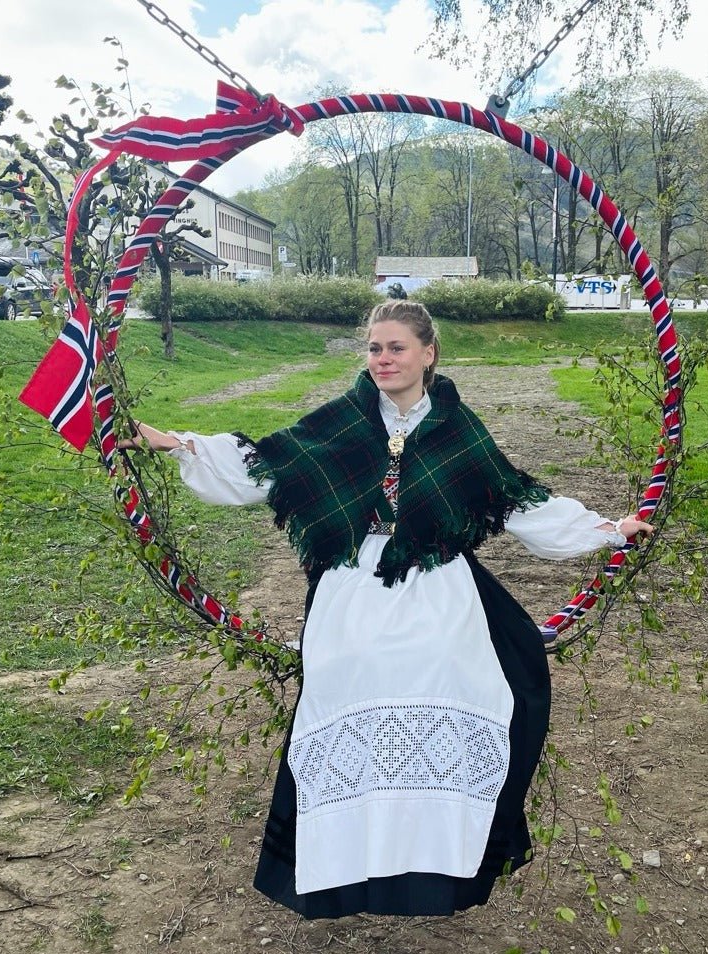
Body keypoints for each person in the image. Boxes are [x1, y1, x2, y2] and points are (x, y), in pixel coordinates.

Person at [124, 299, 652, 919]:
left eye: (395, 347)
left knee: (477, 680)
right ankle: (350, 862)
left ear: (427, 354)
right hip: (353, 584)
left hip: (437, 581)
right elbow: (263, 468)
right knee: (348, 682)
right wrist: (179, 444)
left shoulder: (456, 428)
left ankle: (440, 861)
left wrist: (607, 530)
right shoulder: (345, 421)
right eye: (374, 348)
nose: (382, 359)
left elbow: (516, 503)